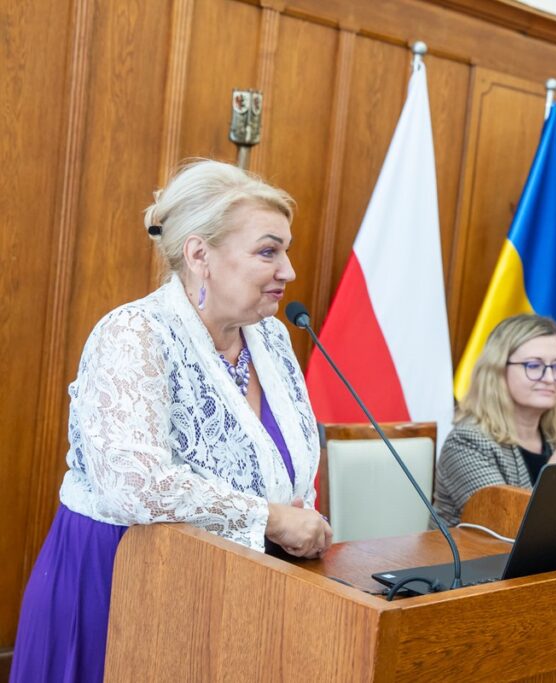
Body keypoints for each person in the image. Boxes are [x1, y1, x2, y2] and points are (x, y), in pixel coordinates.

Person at [11, 160, 332, 682]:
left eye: (286, 250)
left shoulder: (272, 336)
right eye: (268, 251)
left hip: (228, 592)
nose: (288, 271)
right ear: (200, 254)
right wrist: (271, 519)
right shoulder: (133, 333)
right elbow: (133, 486)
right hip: (116, 581)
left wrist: (301, 522)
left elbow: (284, 463)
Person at [434, 314, 556, 526]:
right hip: (480, 559)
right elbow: (505, 528)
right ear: (498, 370)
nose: (549, 379)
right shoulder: (466, 442)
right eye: (534, 366)